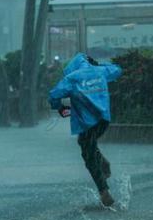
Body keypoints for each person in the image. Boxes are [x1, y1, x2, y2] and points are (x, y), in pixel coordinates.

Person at [48, 53, 122, 207]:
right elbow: (117, 70)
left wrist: (60, 108)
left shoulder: (72, 78)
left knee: (88, 155)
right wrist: (97, 65)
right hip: (103, 120)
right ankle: (103, 163)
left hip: (86, 123)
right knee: (87, 144)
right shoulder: (101, 72)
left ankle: (103, 191)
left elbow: (53, 95)